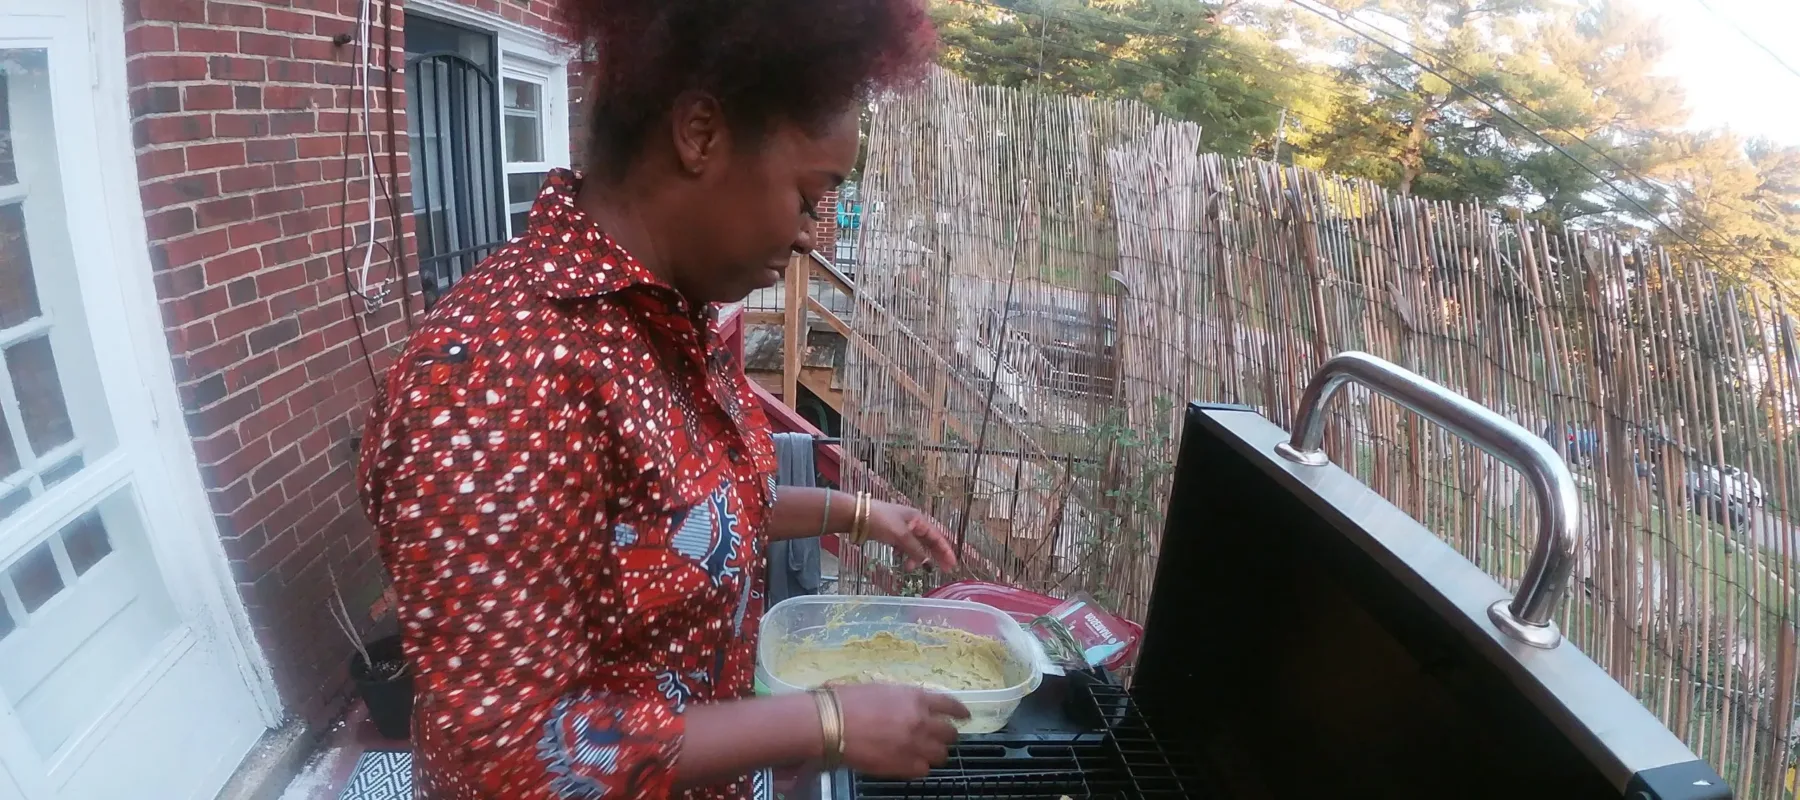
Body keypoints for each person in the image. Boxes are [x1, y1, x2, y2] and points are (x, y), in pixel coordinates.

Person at [356, 1, 960, 798]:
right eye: (810, 195)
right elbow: (501, 757)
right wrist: (826, 722)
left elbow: (676, 521)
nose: (811, 233)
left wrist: (857, 515)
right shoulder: (495, 378)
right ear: (700, 134)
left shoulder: (666, 319)